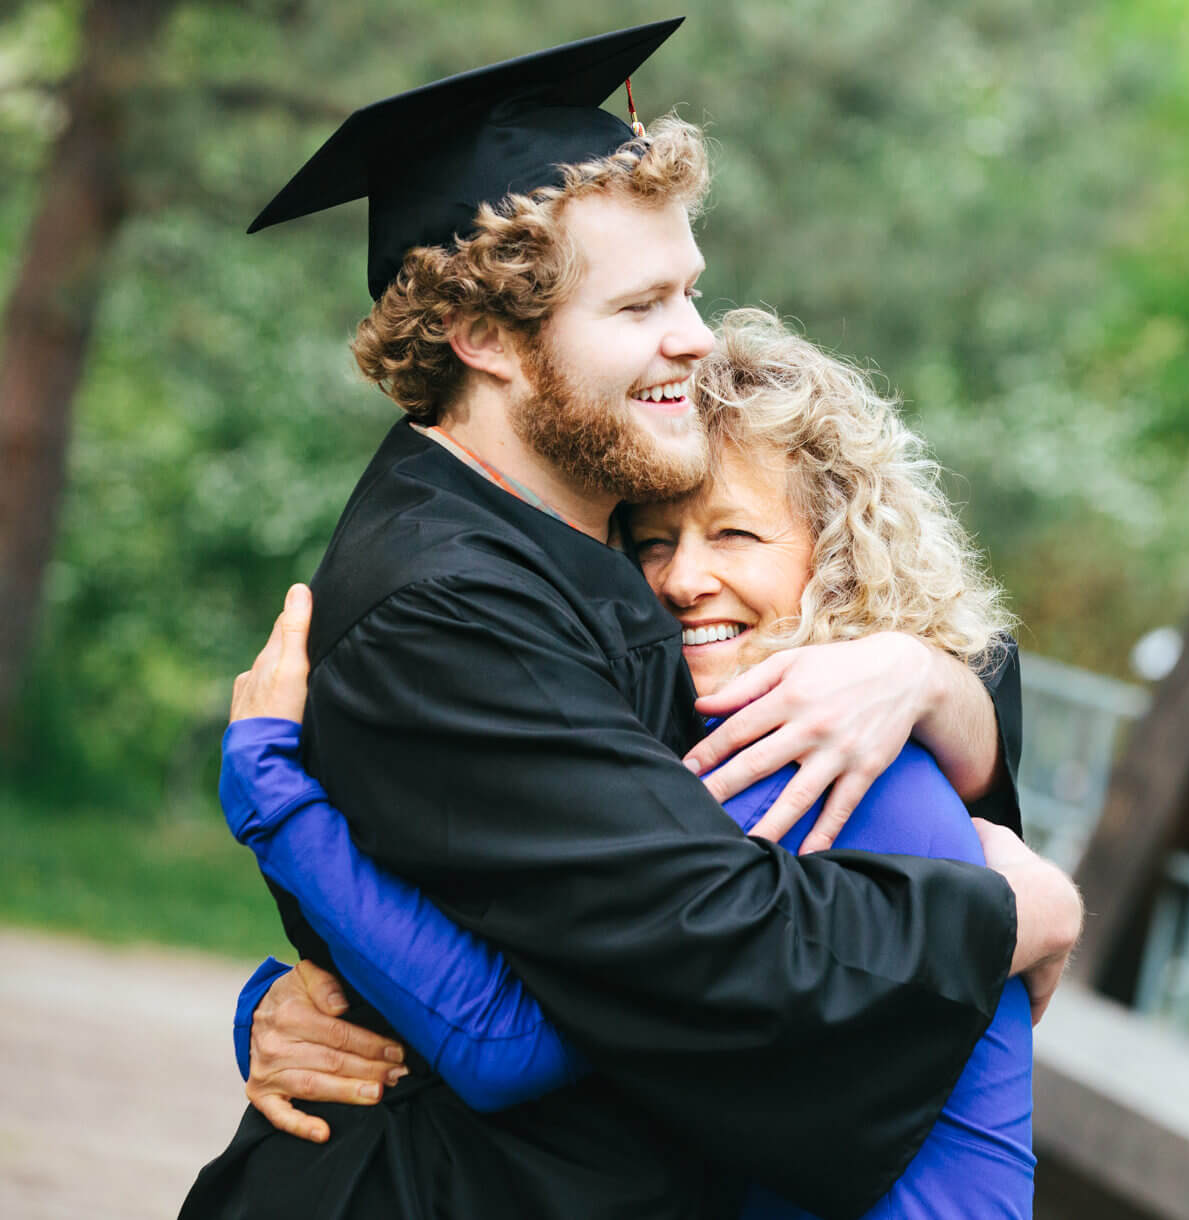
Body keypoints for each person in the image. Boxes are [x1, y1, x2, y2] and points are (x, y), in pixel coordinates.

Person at [179, 22, 1081, 1220]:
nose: (695, 337)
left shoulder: (610, 509)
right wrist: (1018, 909)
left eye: (690, 289)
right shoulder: (447, 606)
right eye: (643, 302)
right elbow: (717, 955)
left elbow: (896, 606)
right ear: (486, 336)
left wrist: (925, 679)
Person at [219, 307, 1038, 1218]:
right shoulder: (746, 741)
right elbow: (557, 933)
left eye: (736, 535)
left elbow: (511, 1033)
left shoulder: (806, 765)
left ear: (840, 557)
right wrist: (280, 998)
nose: (684, 580)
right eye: (654, 542)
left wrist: (274, 799)